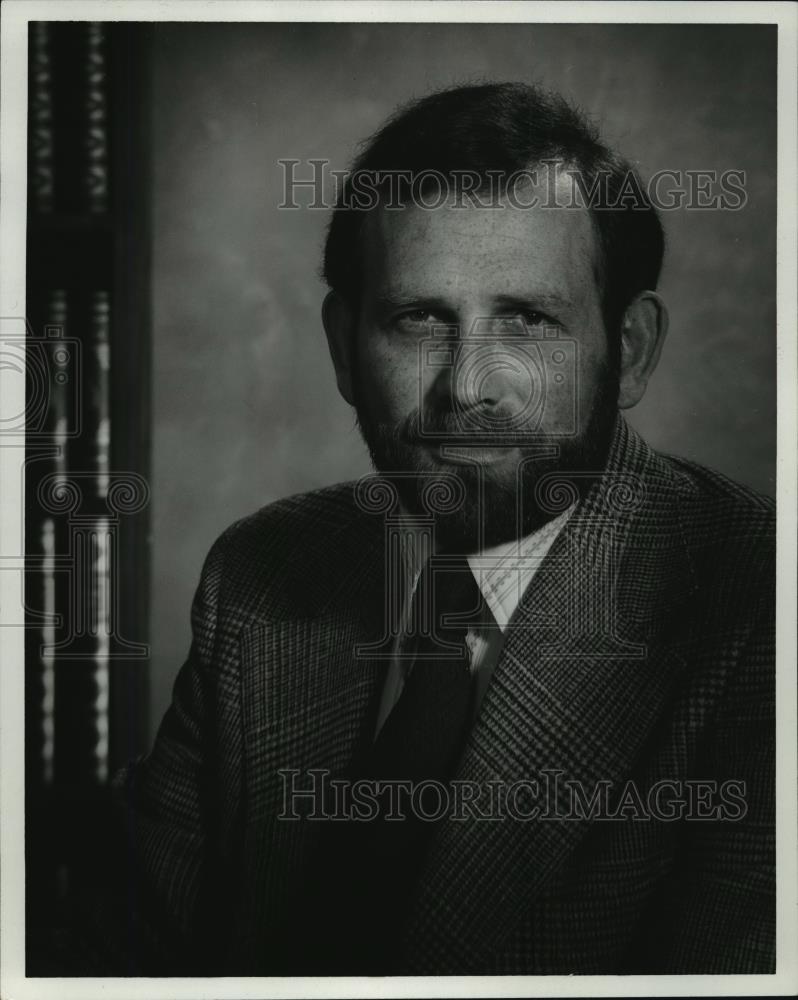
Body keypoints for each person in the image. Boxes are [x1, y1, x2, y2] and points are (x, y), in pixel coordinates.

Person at [95, 82, 775, 975]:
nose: (467, 389)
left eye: (529, 319)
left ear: (632, 350)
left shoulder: (760, 612)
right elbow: (129, 966)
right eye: (420, 318)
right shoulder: (260, 577)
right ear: (344, 348)